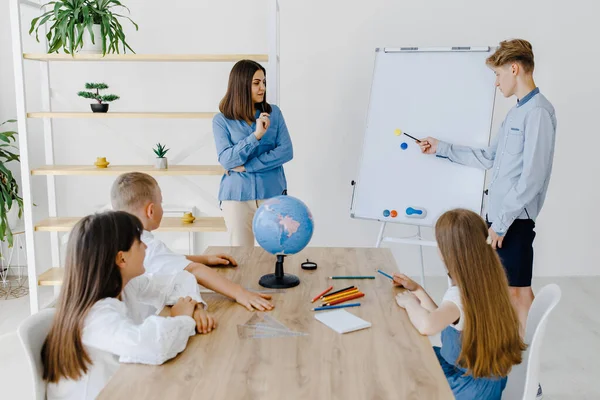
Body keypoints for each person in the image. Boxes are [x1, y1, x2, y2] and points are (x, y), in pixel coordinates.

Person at [418, 39, 557, 341]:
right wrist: (441, 148)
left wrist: (502, 224)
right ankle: (510, 362)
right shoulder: (516, 114)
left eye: (498, 75)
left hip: (513, 223)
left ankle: (527, 372)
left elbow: (532, 179)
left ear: (514, 68)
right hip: (500, 221)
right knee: (506, 293)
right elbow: (489, 158)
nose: (496, 83)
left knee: (518, 294)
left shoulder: (539, 113)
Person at [42, 211, 209, 400]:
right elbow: (152, 345)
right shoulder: (96, 316)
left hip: (123, 386)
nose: (146, 247)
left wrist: (196, 307)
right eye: (139, 242)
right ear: (121, 259)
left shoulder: (125, 285)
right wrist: (181, 318)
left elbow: (179, 279)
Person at [394, 209, 526, 400]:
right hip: (487, 378)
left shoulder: (460, 294)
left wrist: (408, 302)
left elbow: (428, 325)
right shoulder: (487, 280)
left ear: (447, 251)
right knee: (418, 357)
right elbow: (445, 318)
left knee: (409, 364)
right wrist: (417, 290)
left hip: (469, 387)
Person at [111, 172, 274, 311]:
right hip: (154, 320)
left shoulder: (120, 238)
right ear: (151, 210)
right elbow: (195, 270)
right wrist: (240, 293)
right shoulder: (149, 246)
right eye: (161, 202)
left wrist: (204, 258)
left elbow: (165, 259)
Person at [213, 59, 293, 246]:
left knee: (276, 254)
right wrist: (256, 136)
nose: (262, 88)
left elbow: (286, 151)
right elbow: (226, 159)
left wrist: (247, 166)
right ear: (241, 85)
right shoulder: (221, 121)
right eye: (256, 83)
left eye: (263, 82)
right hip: (236, 198)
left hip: (272, 193)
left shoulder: (275, 114)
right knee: (241, 257)